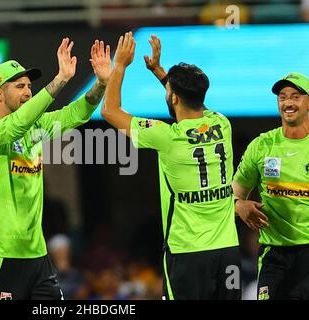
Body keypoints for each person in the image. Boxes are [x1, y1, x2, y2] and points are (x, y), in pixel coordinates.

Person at [102, 32, 241, 300]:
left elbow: (110, 110)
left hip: (187, 254)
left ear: (174, 97)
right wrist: (160, 73)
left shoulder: (167, 136)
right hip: (228, 251)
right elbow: (189, 101)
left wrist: (119, 65)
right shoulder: (222, 124)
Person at [0, 38, 112, 300]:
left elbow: (76, 113)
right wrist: (59, 81)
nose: (28, 92)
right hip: (1, 254)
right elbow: (15, 125)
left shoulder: (37, 128)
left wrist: (102, 83)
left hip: (36, 255)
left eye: (29, 86)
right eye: (19, 86)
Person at [233, 72, 309, 300]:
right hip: (273, 256)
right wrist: (239, 206)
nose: (288, 102)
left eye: (295, 96)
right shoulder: (261, 146)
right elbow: (231, 193)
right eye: (283, 97)